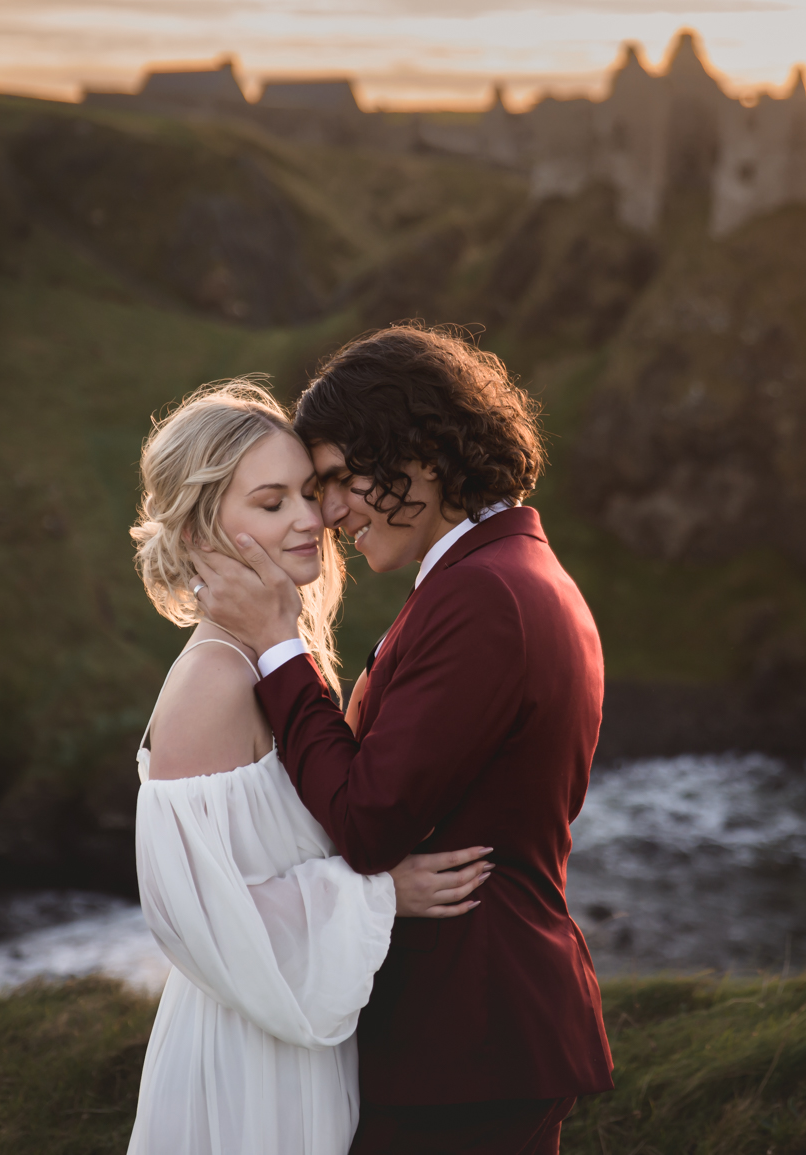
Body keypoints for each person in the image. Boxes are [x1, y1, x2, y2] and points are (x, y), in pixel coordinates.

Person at [191, 328, 615, 1155]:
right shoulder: (507, 573)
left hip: (464, 1039)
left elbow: (366, 817)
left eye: (342, 479)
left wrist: (280, 647)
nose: (329, 513)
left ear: (418, 452)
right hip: (473, 1035)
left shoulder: (485, 596)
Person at [124, 380, 495, 1155]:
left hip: (296, 1032)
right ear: (198, 530)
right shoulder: (211, 683)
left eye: (309, 491)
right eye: (271, 502)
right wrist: (379, 892)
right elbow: (197, 914)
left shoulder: (270, 659)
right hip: (247, 1058)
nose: (311, 518)